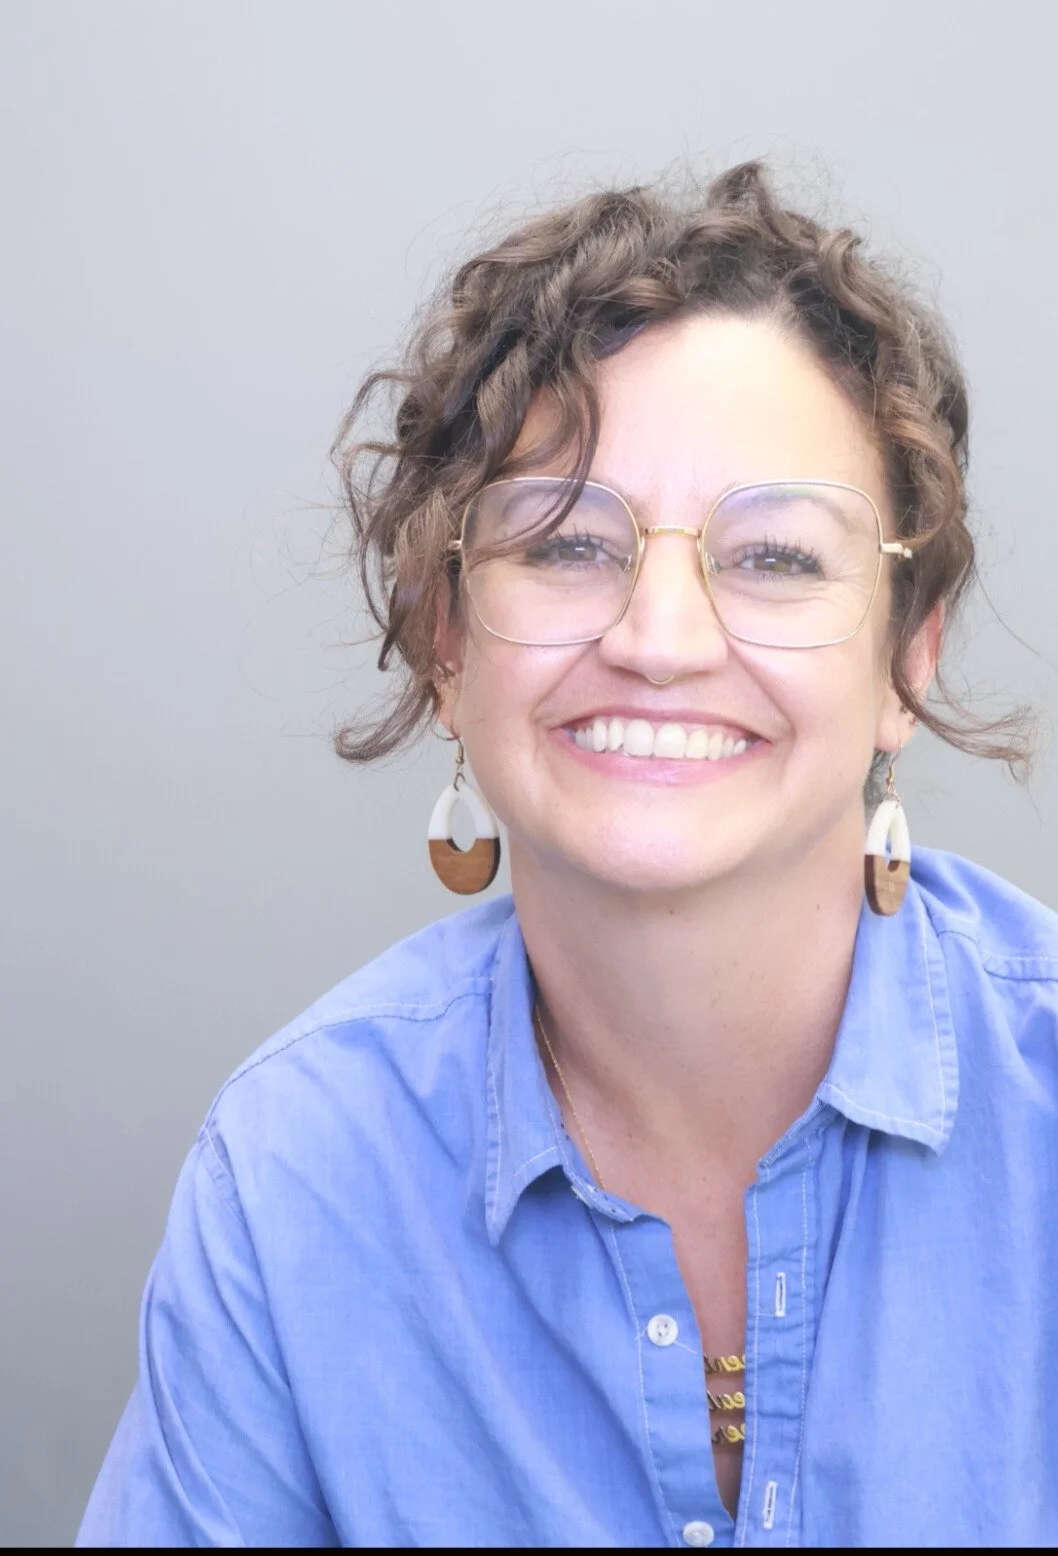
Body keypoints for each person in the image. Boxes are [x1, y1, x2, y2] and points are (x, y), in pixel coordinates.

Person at [78, 161, 1056, 1549]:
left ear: (909, 655)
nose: (660, 638)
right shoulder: (295, 1175)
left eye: (775, 556)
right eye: (566, 543)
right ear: (445, 640)